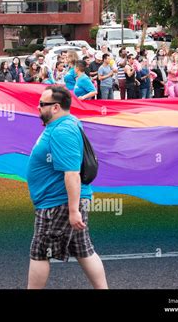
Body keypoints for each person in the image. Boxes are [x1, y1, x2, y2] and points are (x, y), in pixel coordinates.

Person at [26, 85, 108, 289]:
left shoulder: (62, 130)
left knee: (39, 252)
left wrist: (73, 211)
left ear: (55, 107)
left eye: (42, 104)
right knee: (83, 250)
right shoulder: (65, 124)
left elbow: (71, 173)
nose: (38, 107)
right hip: (64, 202)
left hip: (57, 204)